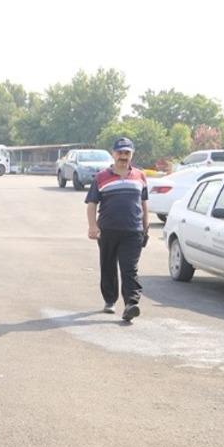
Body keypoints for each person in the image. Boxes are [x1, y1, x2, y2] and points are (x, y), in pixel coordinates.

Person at [85, 136, 150, 322]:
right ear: (113, 154)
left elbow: (144, 204)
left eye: (127, 153)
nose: (123, 156)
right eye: (120, 152)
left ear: (132, 155)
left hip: (133, 232)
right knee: (108, 267)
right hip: (107, 231)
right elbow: (91, 204)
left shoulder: (140, 176)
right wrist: (92, 226)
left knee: (129, 268)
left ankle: (131, 303)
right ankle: (110, 300)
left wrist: (145, 228)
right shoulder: (101, 177)